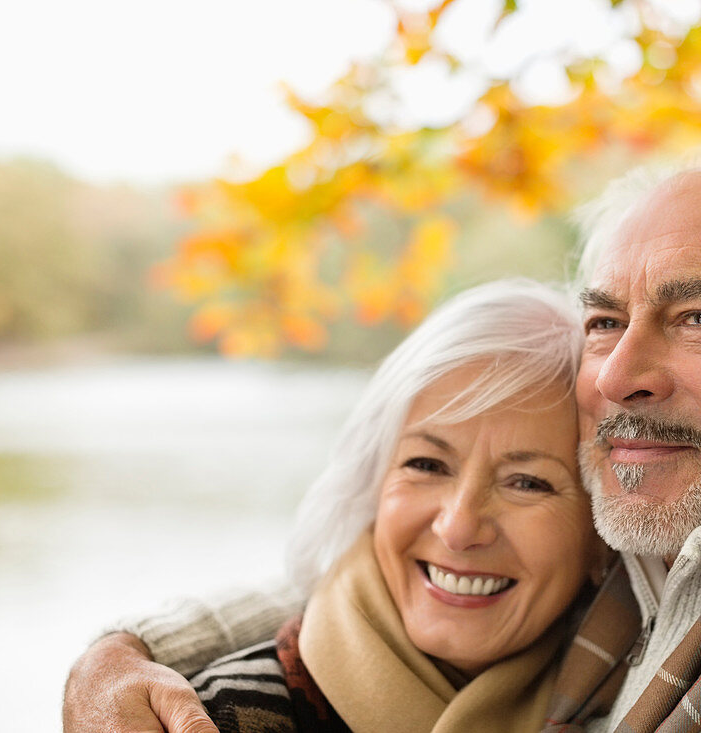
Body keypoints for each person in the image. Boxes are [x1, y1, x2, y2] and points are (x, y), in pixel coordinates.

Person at [64, 144, 701, 732]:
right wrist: (126, 651)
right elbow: (417, 563)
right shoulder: (673, 561)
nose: (619, 372)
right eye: (603, 318)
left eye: (699, 318)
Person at [66, 279, 607, 733]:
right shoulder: (224, 716)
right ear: (371, 486)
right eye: (426, 465)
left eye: (528, 483)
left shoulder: (636, 695)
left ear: (602, 532)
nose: (459, 526)